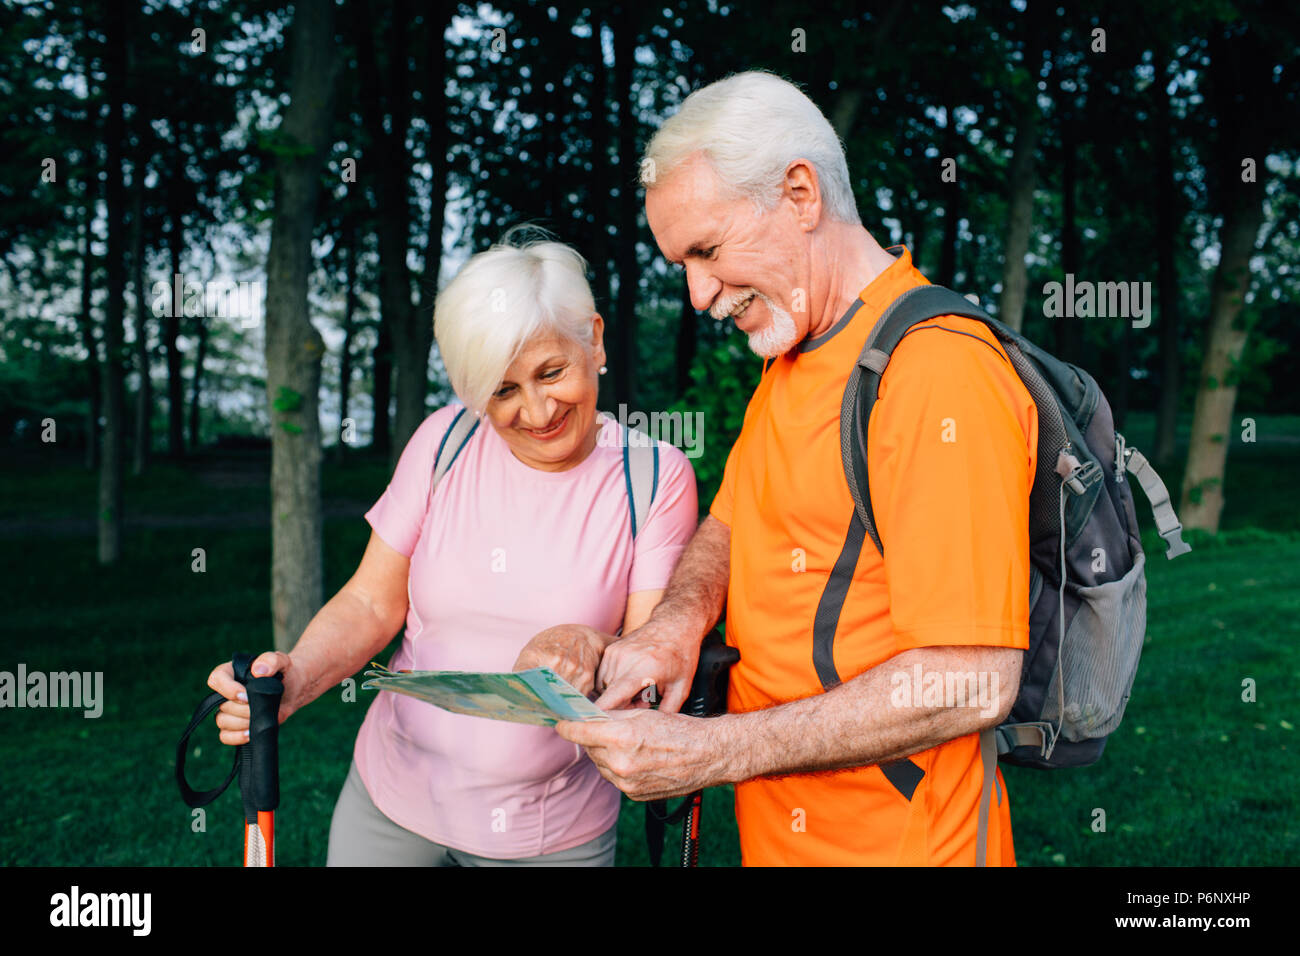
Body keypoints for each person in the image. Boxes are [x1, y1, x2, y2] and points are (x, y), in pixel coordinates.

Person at [540, 71, 1037, 865]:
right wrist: (675, 626)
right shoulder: (796, 353)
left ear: (801, 194)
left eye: (706, 250)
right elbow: (734, 522)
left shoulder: (937, 372)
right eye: (681, 265)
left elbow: (971, 679)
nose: (699, 295)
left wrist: (713, 752)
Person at [206, 230, 698, 866]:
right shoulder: (444, 442)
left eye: (552, 372)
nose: (538, 409)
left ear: (595, 340)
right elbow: (370, 604)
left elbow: (646, 664)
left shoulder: (653, 475)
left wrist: (588, 641)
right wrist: (294, 680)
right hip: (390, 799)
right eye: (502, 389)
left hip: (549, 832)